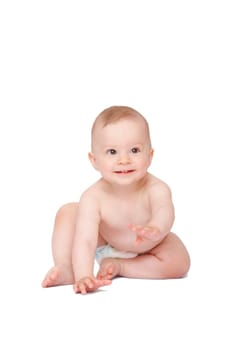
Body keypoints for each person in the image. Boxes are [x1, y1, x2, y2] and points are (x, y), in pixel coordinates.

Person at [42, 105, 190, 294]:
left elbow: (164, 210)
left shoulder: (156, 188)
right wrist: (84, 275)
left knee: (180, 261)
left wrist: (156, 228)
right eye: (112, 152)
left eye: (134, 150)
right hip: (106, 242)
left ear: (150, 155)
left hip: (149, 247)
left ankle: (122, 267)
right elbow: (85, 240)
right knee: (68, 212)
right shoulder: (93, 196)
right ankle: (67, 268)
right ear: (94, 160)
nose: (124, 160)